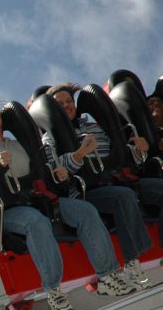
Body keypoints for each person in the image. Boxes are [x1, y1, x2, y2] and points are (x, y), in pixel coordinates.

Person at [0, 101, 133, 310]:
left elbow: (42, 174)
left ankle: (108, 276)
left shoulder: (19, 144)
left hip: (38, 201)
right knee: (35, 221)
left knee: (85, 210)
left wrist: (58, 175)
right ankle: (53, 289)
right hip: (5, 212)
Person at [43, 84, 162, 288]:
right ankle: (132, 261)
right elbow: (54, 171)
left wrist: (138, 150)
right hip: (84, 191)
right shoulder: (49, 138)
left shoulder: (93, 127)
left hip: (114, 181)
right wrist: (79, 154)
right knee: (123, 196)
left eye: (69, 101)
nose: (66, 106)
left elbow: (119, 156)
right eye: (60, 104)